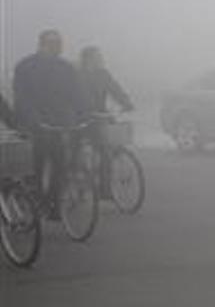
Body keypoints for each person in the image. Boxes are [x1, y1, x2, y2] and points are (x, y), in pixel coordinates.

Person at [13, 30, 84, 215]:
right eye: (53, 43)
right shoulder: (25, 66)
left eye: (59, 43)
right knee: (34, 164)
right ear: (42, 44)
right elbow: (21, 97)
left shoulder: (66, 67)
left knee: (60, 162)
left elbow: (76, 94)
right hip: (33, 123)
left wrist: (82, 115)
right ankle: (33, 200)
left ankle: (52, 202)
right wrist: (32, 118)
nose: (58, 47)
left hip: (57, 123)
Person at [77, 46, 135, 199]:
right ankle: (80, 179)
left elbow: (115, 89)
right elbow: (73, 96)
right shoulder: (77, 75)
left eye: (100, 57)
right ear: (88, 59)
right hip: (81, 117)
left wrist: (126, 102)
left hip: (100, 115)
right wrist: (83, 110)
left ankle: (105, 187)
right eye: (97, 57)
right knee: (80, 149)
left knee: (108, 148)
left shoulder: (103, 74)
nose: (100, 60)